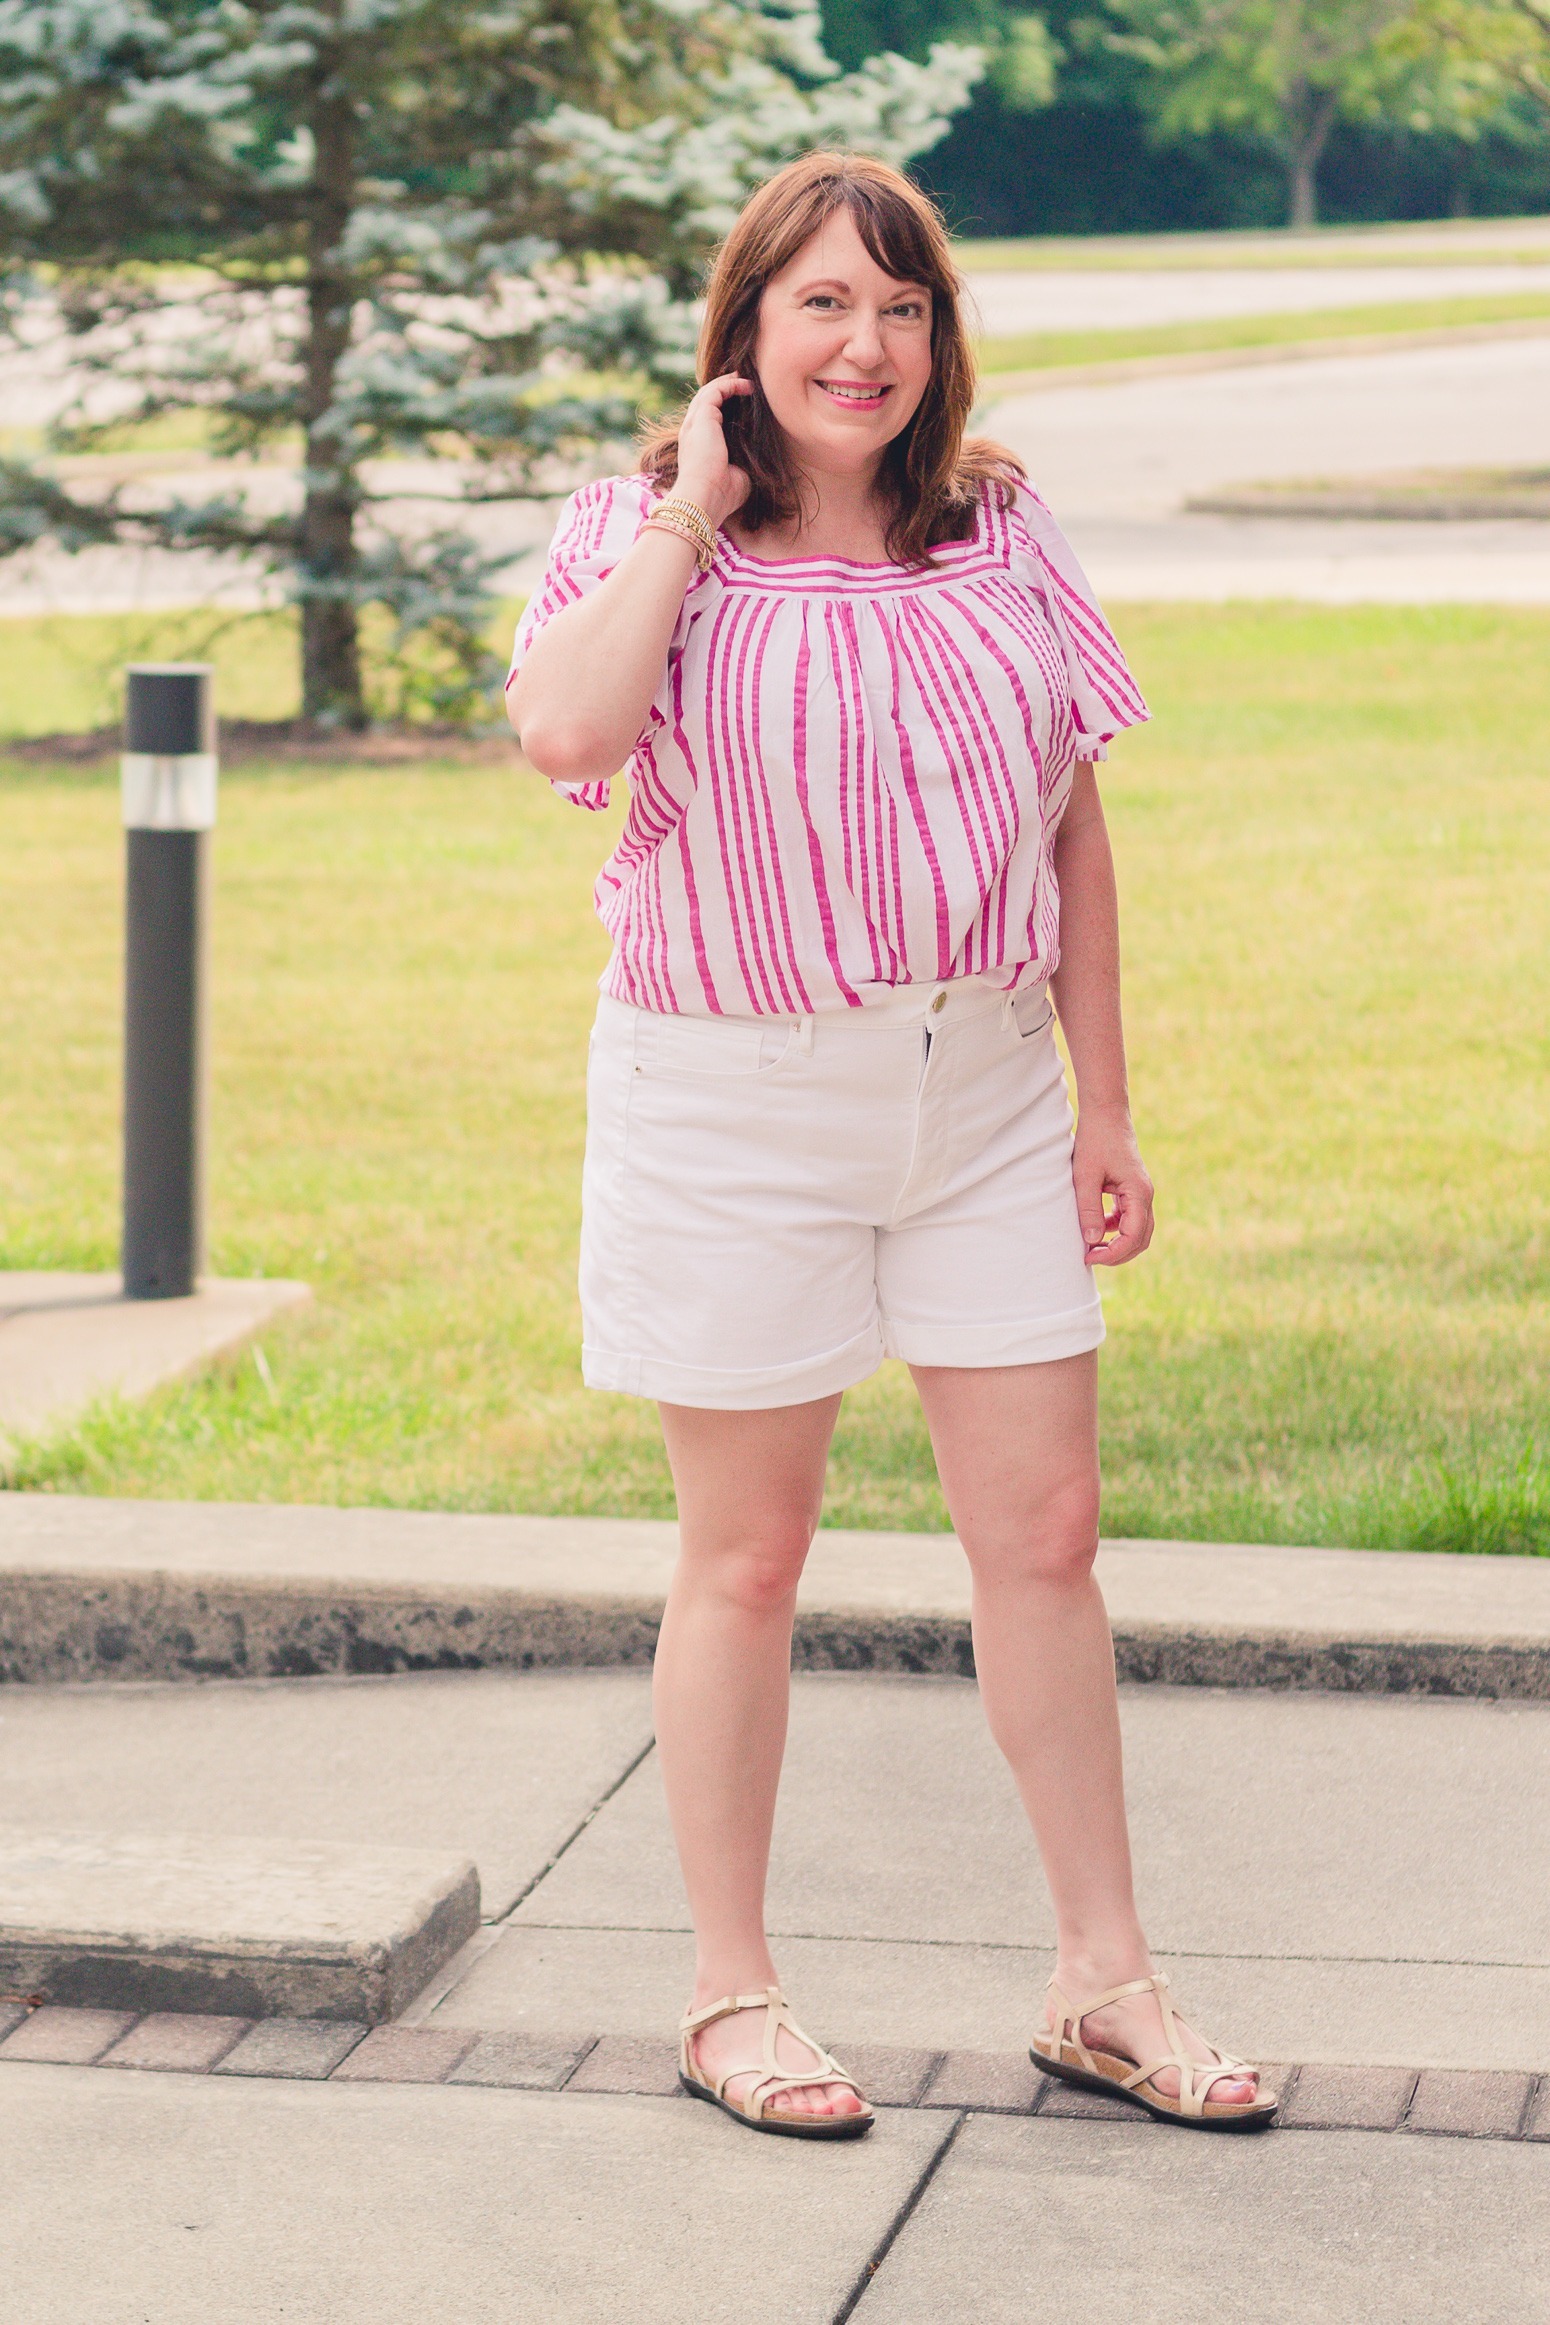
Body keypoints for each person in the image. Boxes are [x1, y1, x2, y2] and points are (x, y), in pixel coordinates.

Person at [507, 150, 1276, 2139]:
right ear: (745, 329)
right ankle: (730, 1991)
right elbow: (569, 739)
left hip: (987, 1085)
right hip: (730, 1095)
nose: (863, 344)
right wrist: (688, 507)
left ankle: (1105, 1979)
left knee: (1043, 1539)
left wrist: (1104, 1102)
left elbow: (1073, 822)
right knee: (747, 1557)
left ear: (938, 338)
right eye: (820, 303)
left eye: (900, 306)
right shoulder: (630, 525)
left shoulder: (995, 529)